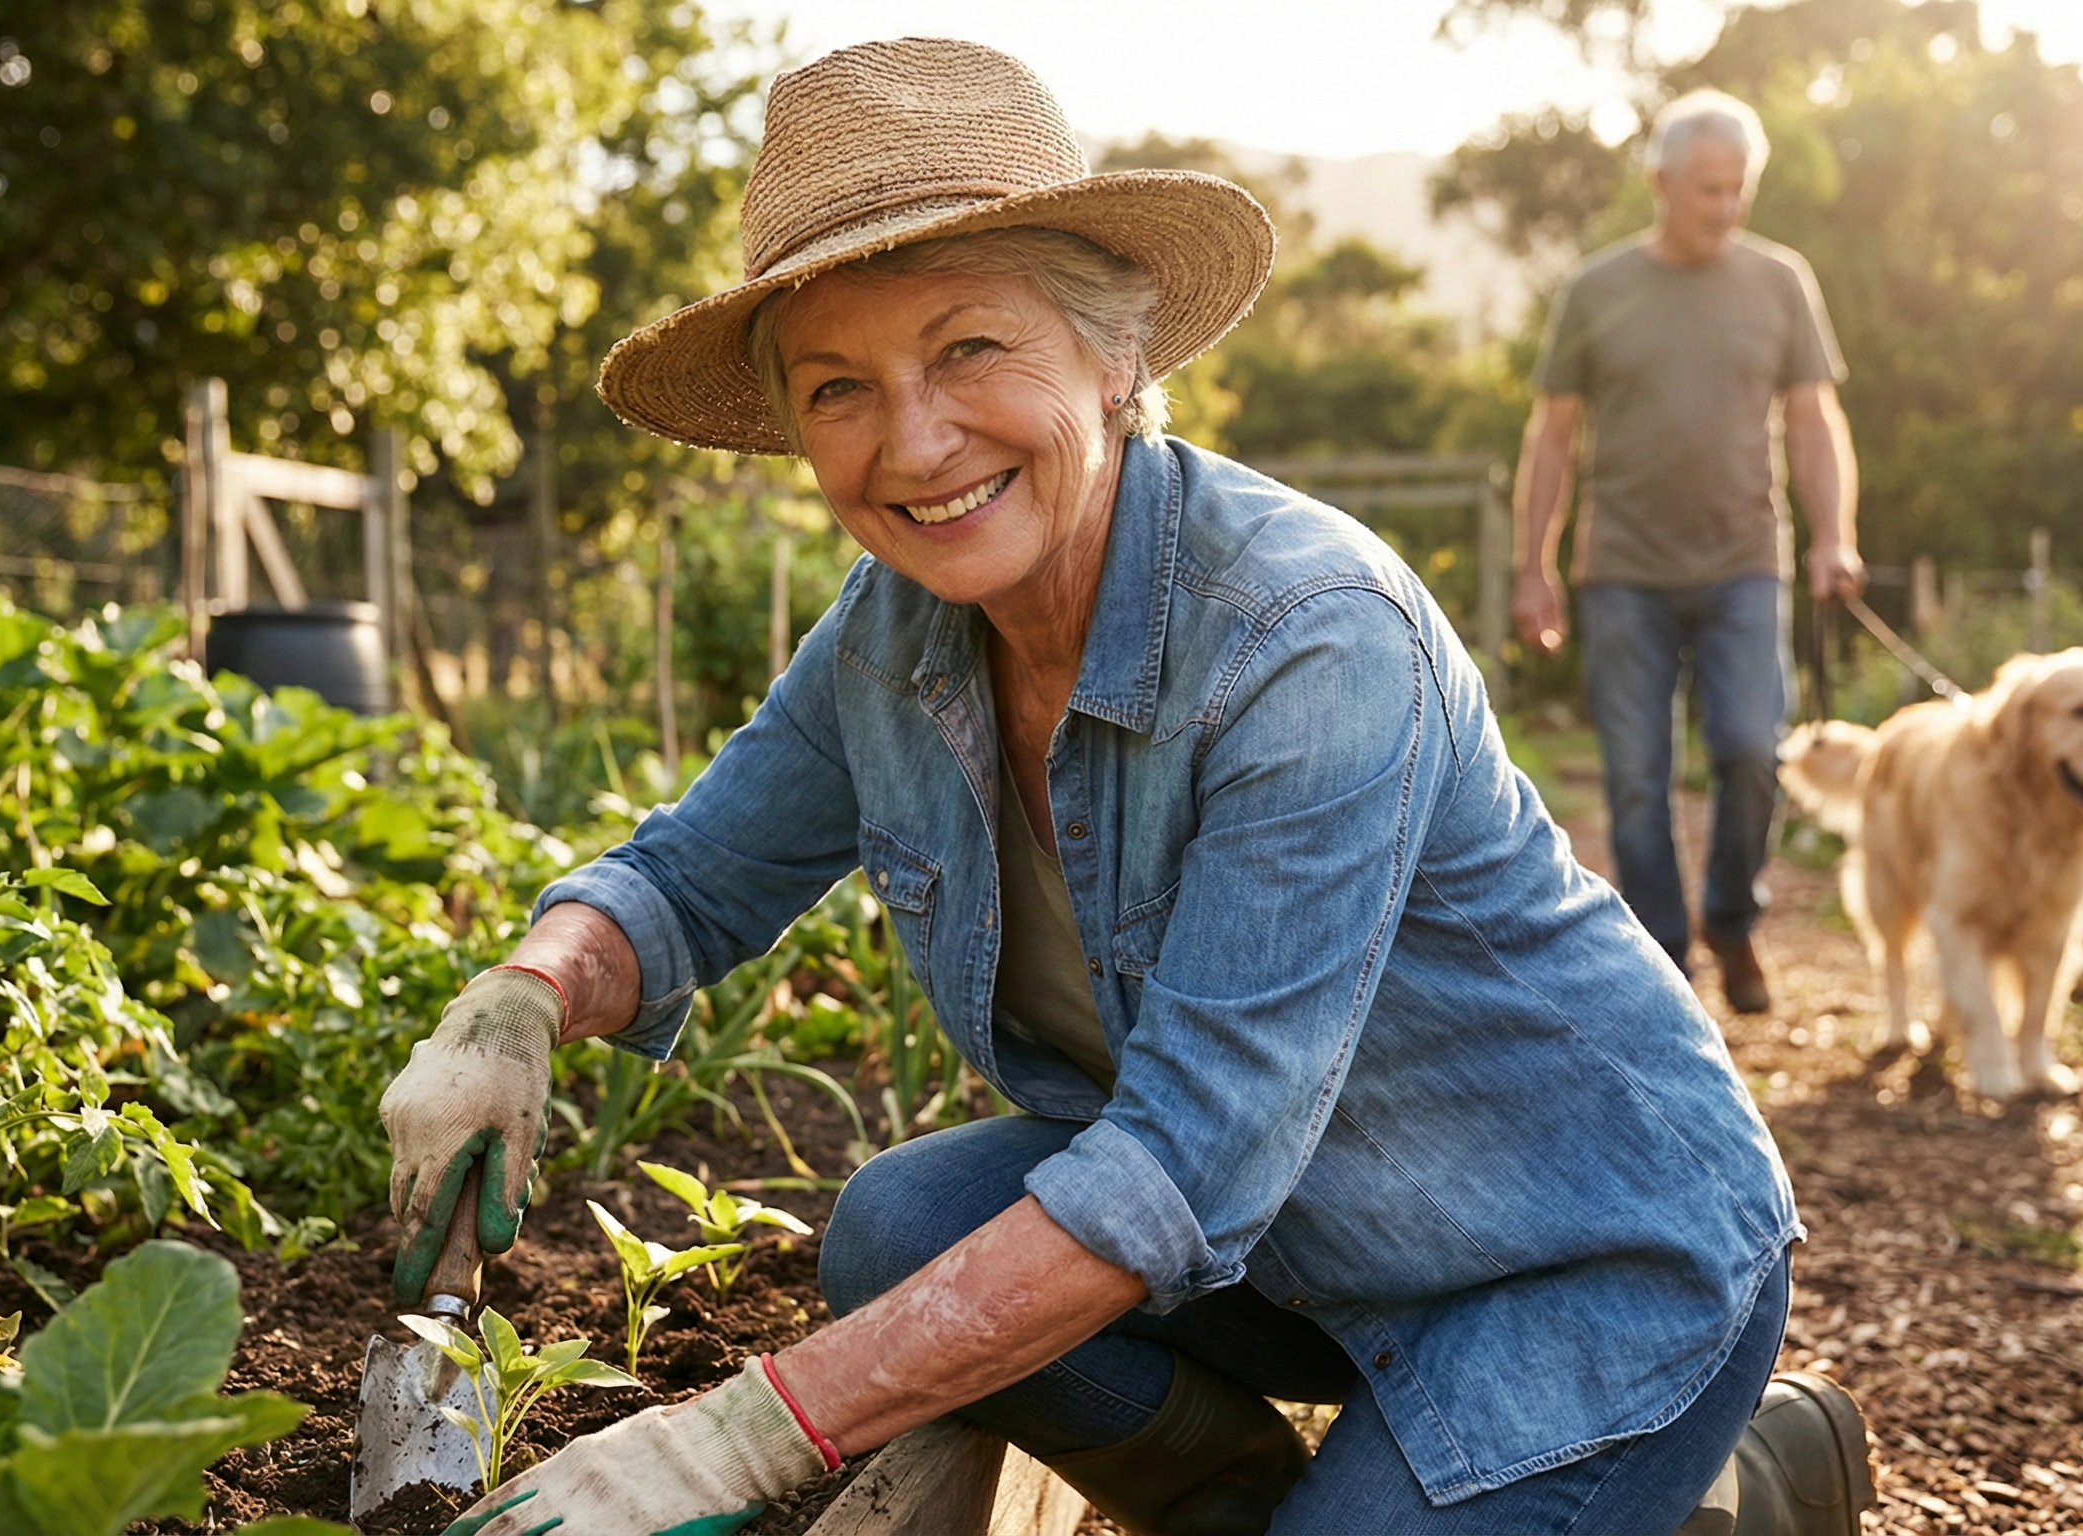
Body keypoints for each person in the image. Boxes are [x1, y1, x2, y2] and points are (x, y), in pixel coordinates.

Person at [386, 39, 1871, 1536]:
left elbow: (1178, 1165)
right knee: (902, 1228)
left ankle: (1744, 1476)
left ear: (1118, 356)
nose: (915, 442)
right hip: (1299, 1244)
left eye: (971, 350)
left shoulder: (1307, 637)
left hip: (1570, 1261)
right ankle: (1244, 1507)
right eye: (841, 387)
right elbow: (690, 881)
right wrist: (522, 996)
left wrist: (734, 1441)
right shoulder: (893, 635)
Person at [1509, 89, 1866, 1017]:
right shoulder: (1597, 290)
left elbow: (1814, 419)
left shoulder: (1781, 280)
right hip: (1622, 568)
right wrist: (1532, 566)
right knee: (1636, 780)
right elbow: (1551, 437)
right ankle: (1665, 956)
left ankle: (1733, 919)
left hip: (1746, 559)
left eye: (1738, 189)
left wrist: (1834, 537)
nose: (1726, 207)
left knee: (1753, 749)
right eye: (1708, 190)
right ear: (1660, 183)